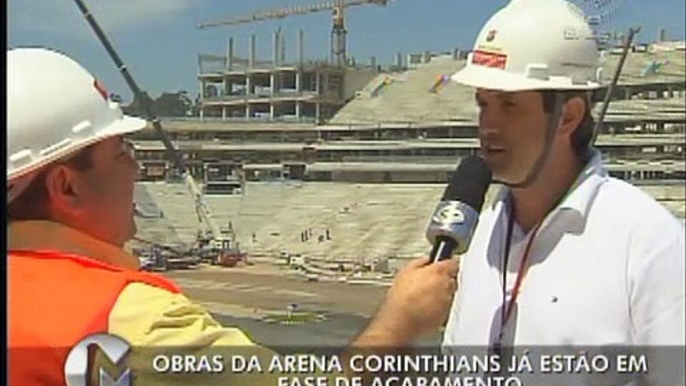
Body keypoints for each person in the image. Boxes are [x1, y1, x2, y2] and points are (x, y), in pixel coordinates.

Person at [7, 48, 459, 385]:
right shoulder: (132, 320)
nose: (138, 168)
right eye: (122, 152)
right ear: (66, 186)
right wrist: (401, 320)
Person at [442, 0, 684, 383]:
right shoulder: (483, 231)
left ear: (568, 116)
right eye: (483, 104)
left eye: (509, 105)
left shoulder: (649, 241)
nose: (488, 125)